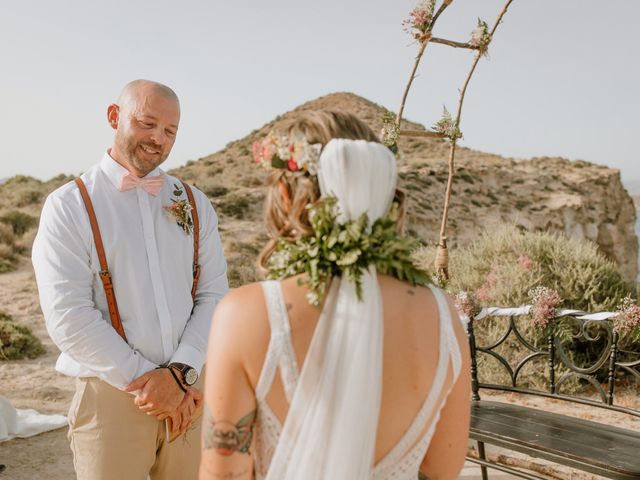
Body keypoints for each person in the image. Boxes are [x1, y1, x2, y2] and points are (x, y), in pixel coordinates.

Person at [199, 110, 470, 480]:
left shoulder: (245, 316)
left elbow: (223, 474)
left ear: (284, 192)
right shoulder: (443, 318)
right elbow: (442, 471)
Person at [32, 79, 229, 480]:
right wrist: (148, 383)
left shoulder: (193, 203)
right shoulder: (69, 206)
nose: (158, 138)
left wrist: (180, 375)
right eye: (147, 123)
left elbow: (213, 294)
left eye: (170, 130)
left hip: (191, 392)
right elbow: (68, 316)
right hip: (111, 398)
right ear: (113, 116)